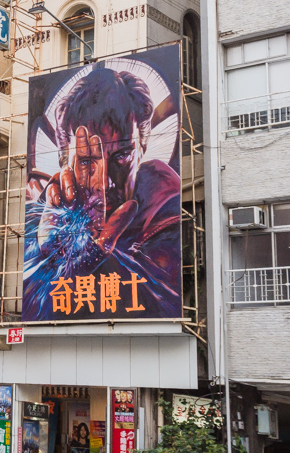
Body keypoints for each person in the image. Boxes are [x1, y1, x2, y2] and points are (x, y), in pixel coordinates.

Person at [24, 66, 181, 319]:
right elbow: (25, 317)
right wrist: (44, 253)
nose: (106, 182)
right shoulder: (51, 209)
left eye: (122, 156)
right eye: (86, 162)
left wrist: (95, 258)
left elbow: (164, 308)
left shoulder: (165, 206)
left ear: (143, 148)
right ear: (66, 162)